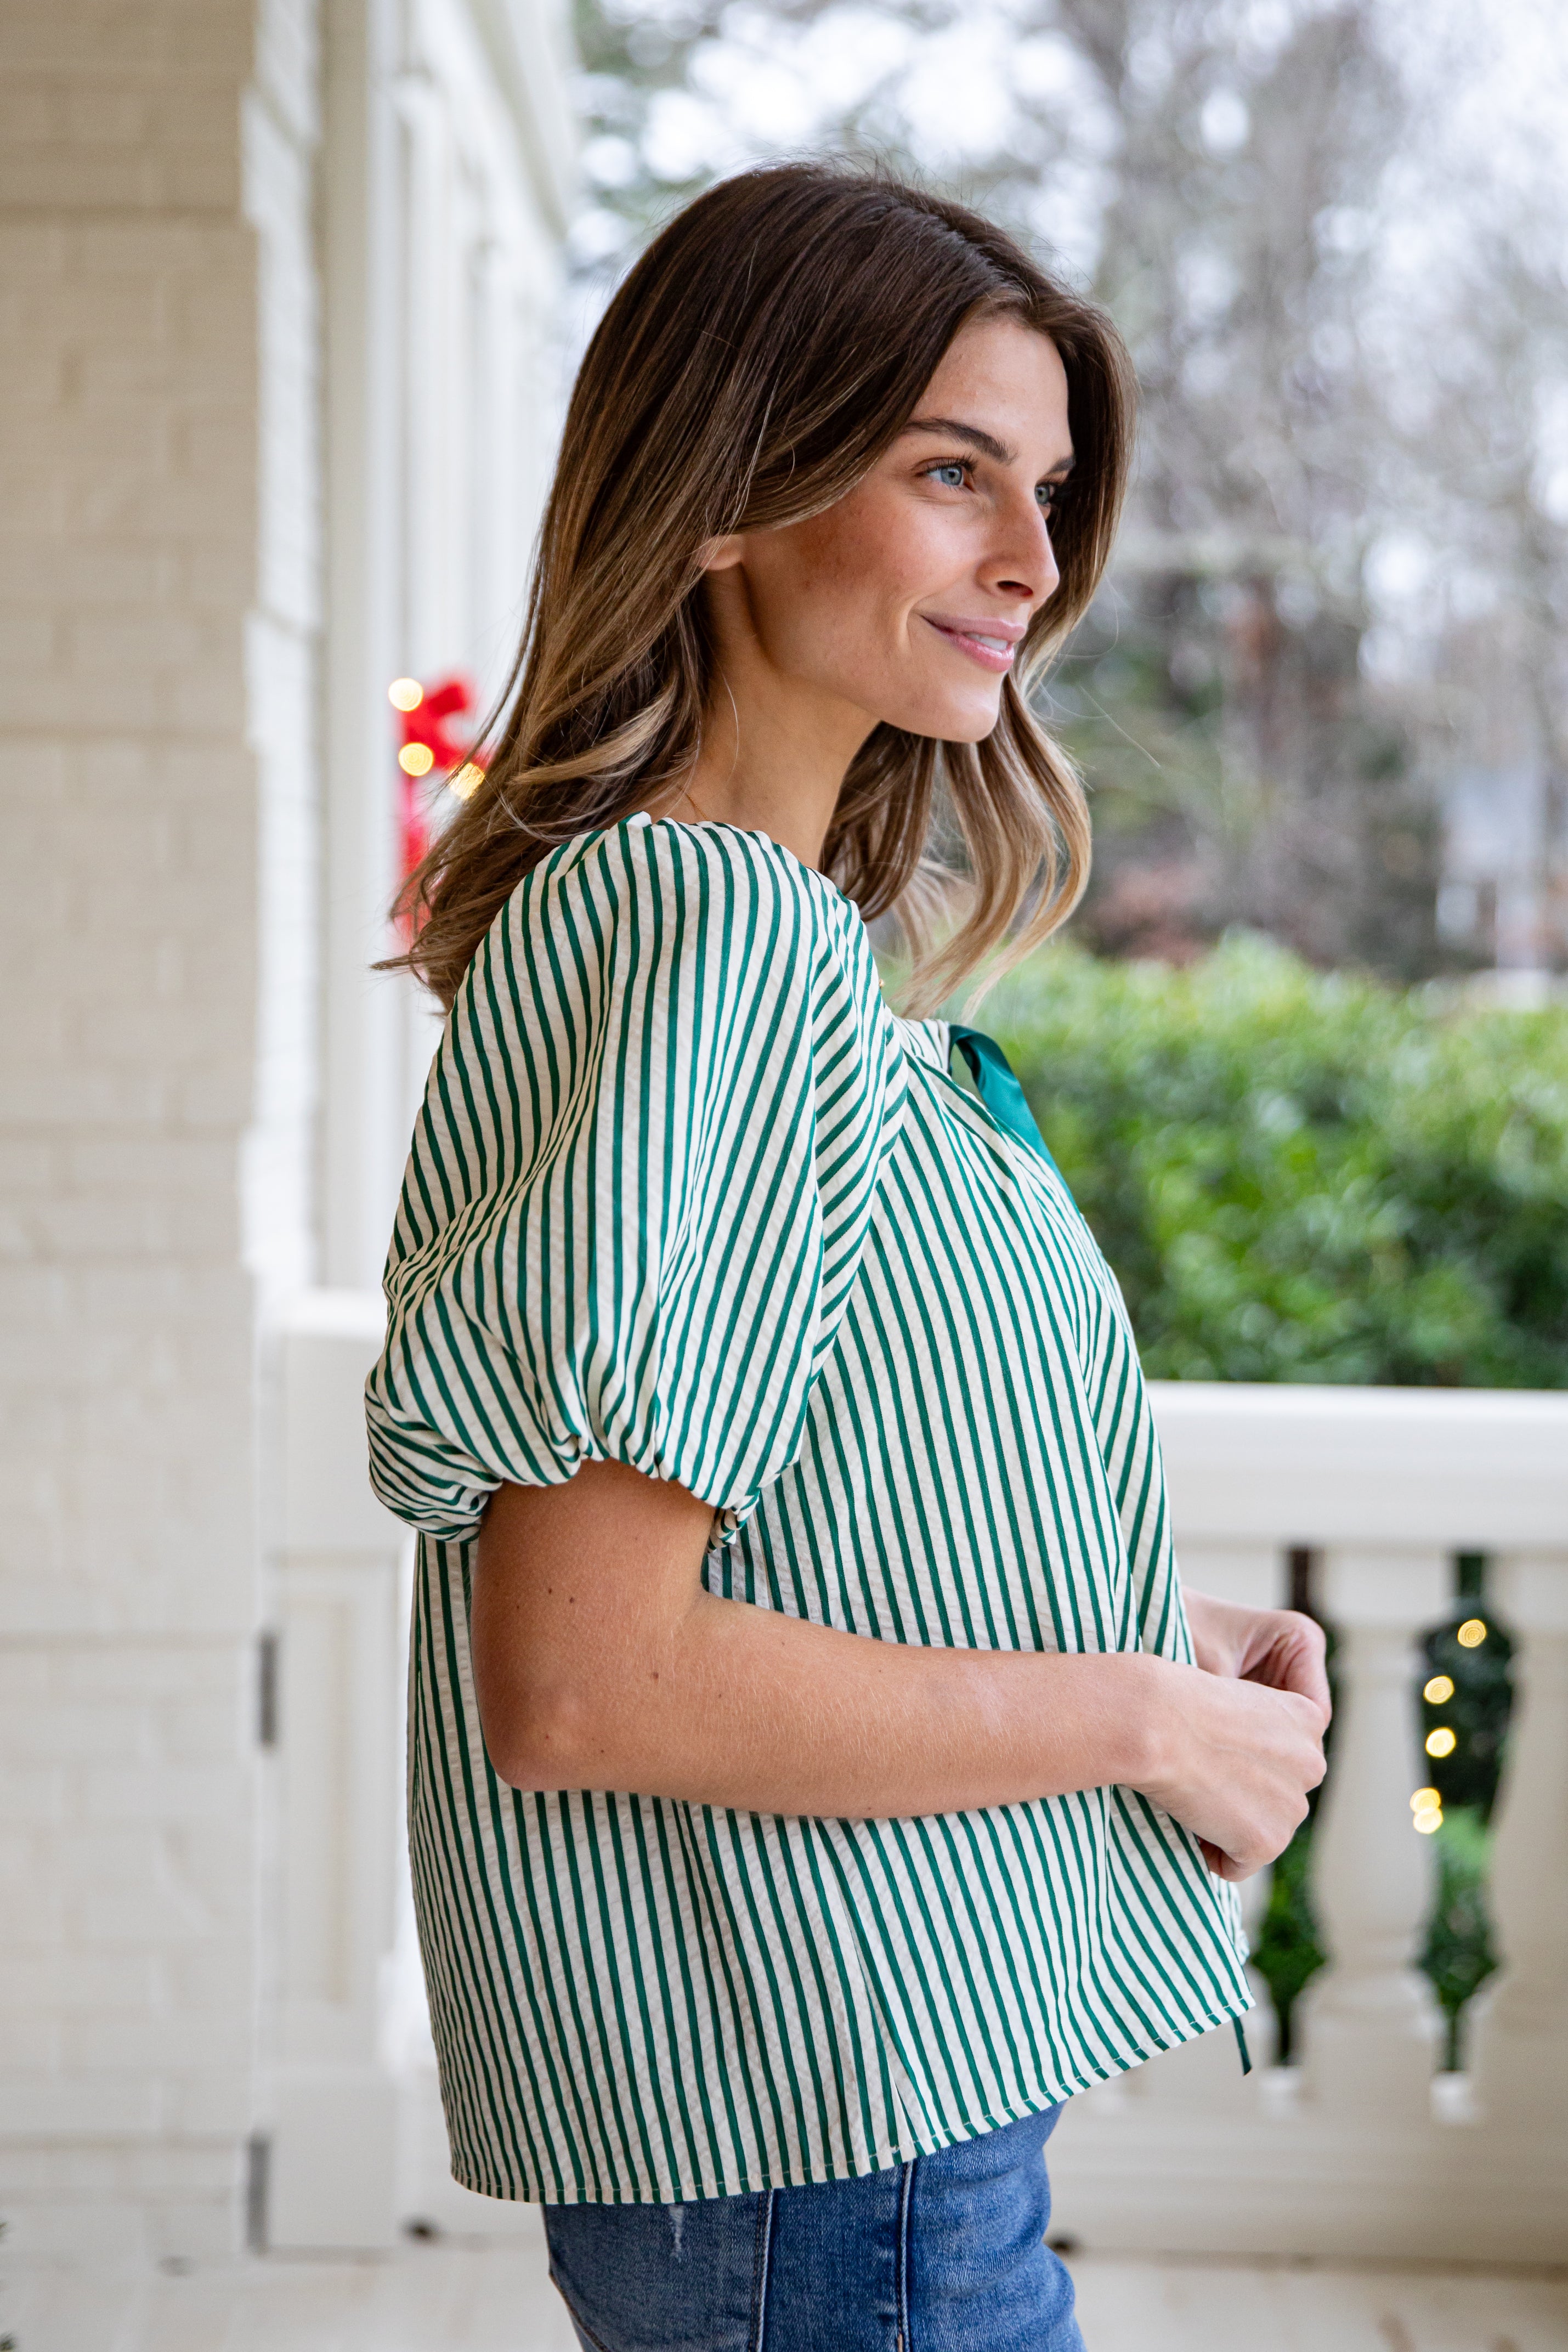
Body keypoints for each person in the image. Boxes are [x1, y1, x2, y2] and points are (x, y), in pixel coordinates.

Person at [366, 163, 1329, 2352]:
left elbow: (766, 1533)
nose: (1032, 557)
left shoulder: (753, 942)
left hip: (856, 2120)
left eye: (1051, 488)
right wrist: (1136, 1726)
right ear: (726, 493)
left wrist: (1147, 1633)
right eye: (948, 472)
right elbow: (588, 1674)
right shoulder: (706, 939)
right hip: (824, 2132)